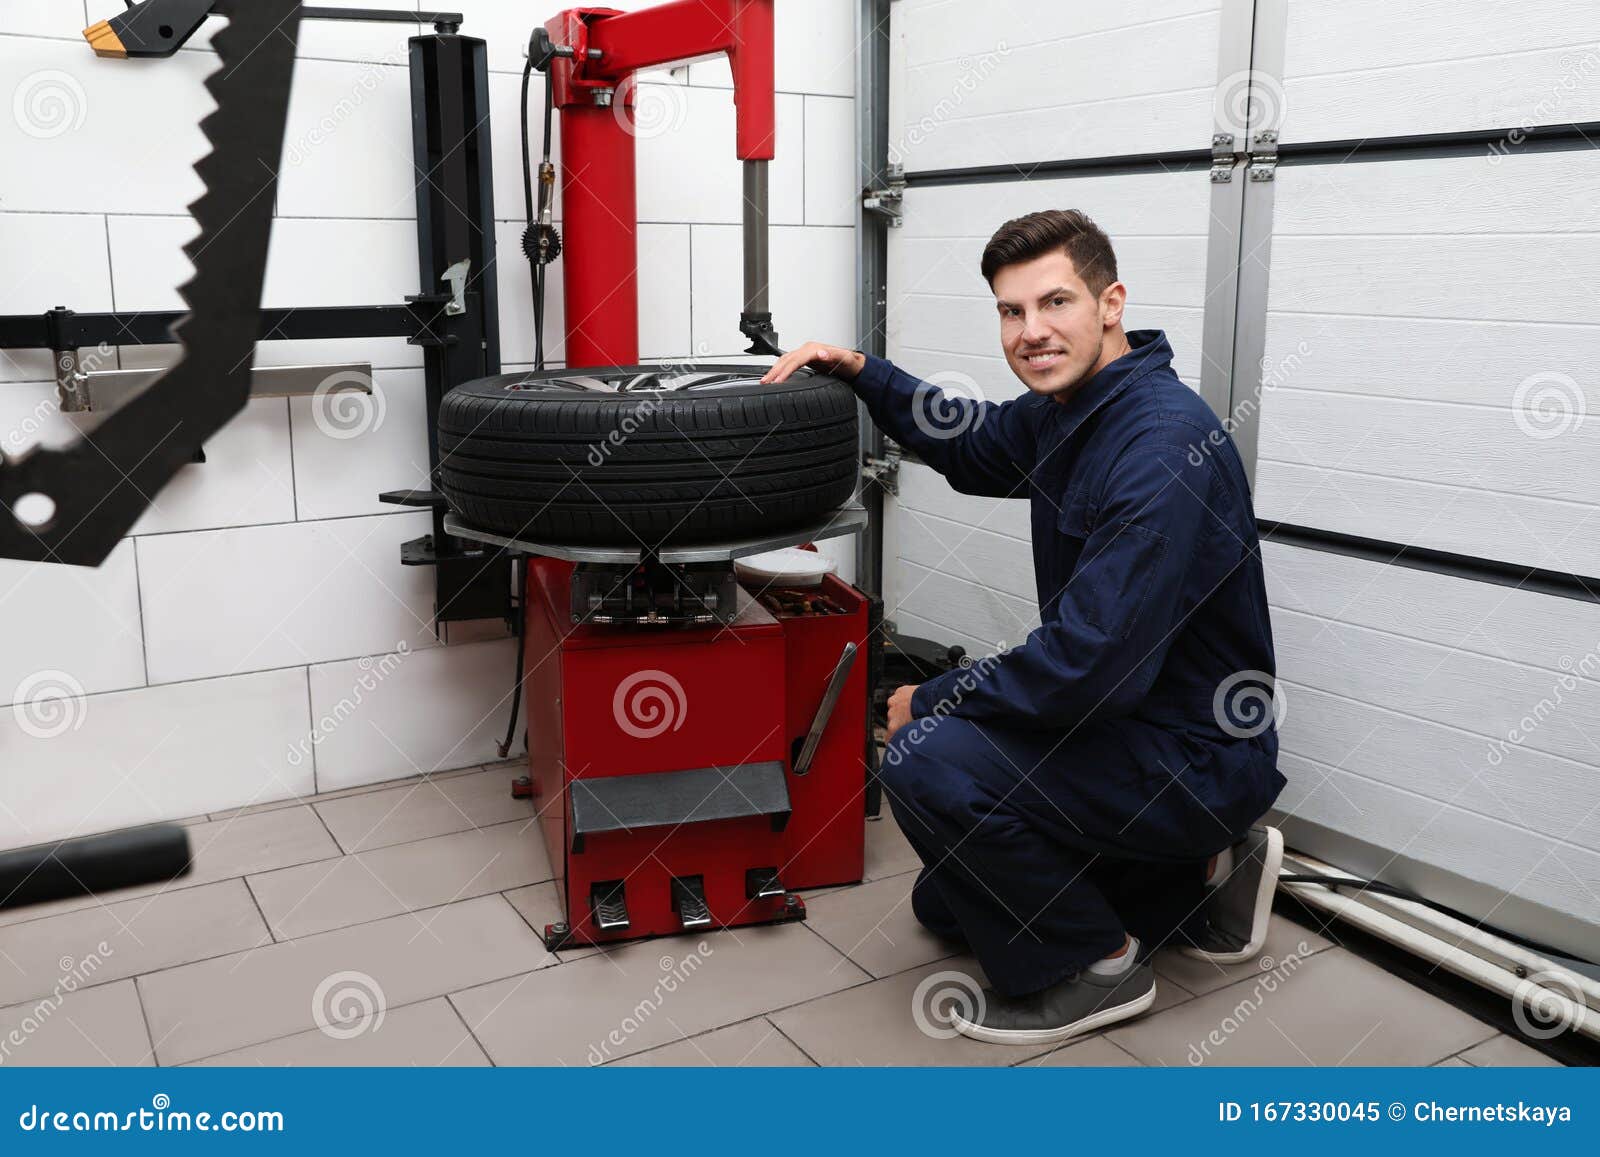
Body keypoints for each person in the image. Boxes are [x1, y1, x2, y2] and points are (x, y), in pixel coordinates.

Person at [761, 209, 1286, 1045]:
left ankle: (1096, 966)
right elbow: (968, 442)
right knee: (948, 900)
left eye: (1055, 304)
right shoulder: (1069, 410)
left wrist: (931, 697)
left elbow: (1091, 662)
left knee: (929, 758)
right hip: (1126, 730)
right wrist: (862, 369)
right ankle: (1195, 881)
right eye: (1012, 312)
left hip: (1191, 751)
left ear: (1111, 303)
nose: (1031, 332)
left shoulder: (1157, 445)